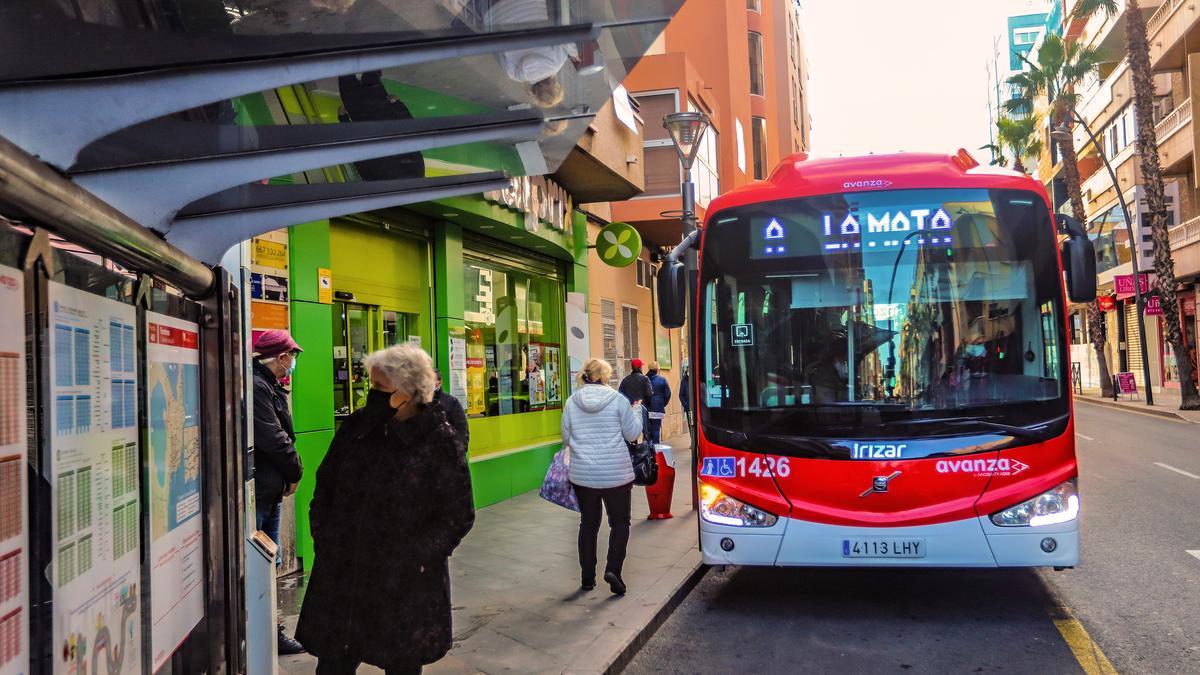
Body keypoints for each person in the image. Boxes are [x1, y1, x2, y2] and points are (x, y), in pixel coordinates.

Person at [297, 344, 474, 674]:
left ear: (409, 391)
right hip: (343, 572)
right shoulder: (357, 427)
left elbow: (457, 515)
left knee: (401, 663)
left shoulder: (439, 440)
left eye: (380, 387)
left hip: (403, 581)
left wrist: (418, 558)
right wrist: (324, 534)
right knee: (334, 661)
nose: (372, 394)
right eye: (372, 385)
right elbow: (326, 482)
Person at [561, 358, 642, 595]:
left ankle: (587, 578)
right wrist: (636, 411)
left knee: (588, 524)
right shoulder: (618, 400)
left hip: (583, 475)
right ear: (605, 376)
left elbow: (566, 437)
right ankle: (613, 570)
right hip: (616, 473)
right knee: (619, 523)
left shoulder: (571, 402)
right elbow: (632, 433)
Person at [250, 330, 306, 656]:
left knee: (269, 562)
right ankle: (264, 632)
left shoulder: (269, 386)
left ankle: (269, 629)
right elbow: (274, 437)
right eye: (291, 355)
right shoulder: (258, 387)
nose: (292, 362)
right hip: (261, 491)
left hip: (270, 489)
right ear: (280, 357)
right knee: (262, 564)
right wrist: (295, 470)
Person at [433, 370, 469, 449]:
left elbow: (462, 430)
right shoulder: (417, 403)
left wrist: (457, 451)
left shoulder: (451, 402)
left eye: (431, 379)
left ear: (439, 383)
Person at [645, 361, 672, 445]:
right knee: (656, 429)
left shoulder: (644, 379)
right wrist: (663, 403)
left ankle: (649, 450)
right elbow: (668, 394)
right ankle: (656, 449)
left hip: (646, 408)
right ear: (657, 369)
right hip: (658, 408)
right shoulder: (662, 380)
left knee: (648, 430)